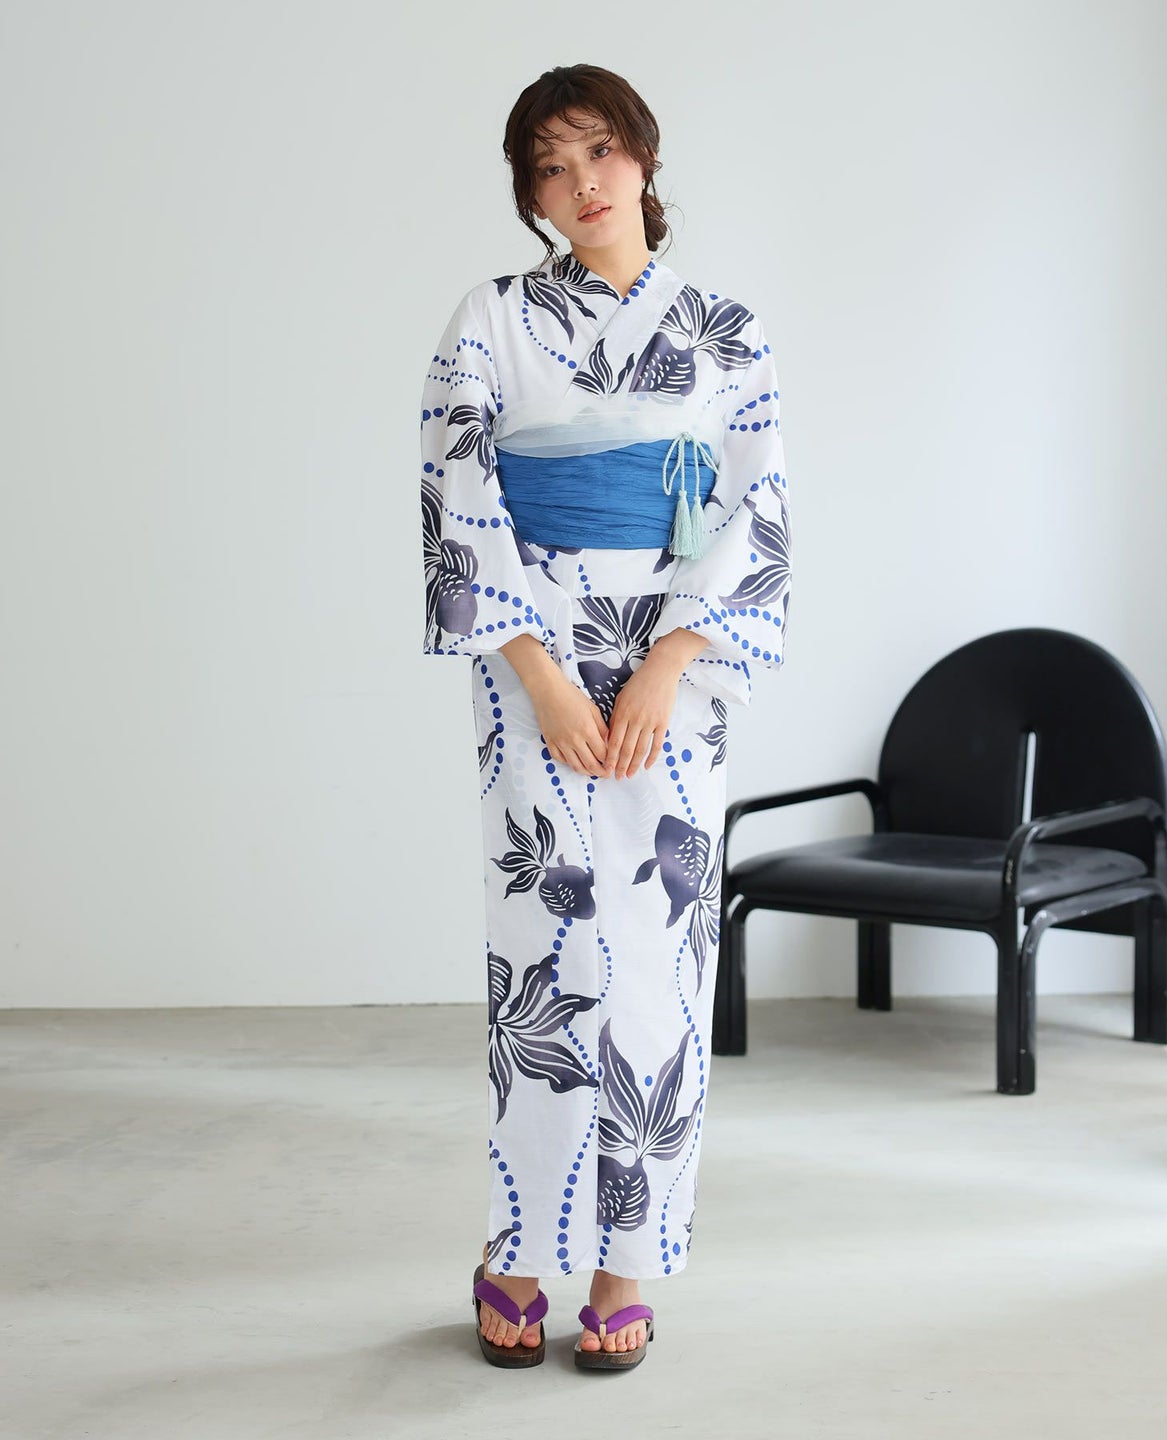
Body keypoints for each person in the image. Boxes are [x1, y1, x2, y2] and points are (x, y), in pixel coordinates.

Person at [419, 63, 791, 1371]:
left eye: (600, 152)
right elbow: (458, 487)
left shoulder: (724, 329)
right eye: (551, 166)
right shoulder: (490, 319)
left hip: (673, 678)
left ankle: (629, 1260)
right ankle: (520, 1247)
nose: (582, 184)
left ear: (643, 155)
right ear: (531, 193)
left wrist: (667, 663)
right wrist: (542, 674)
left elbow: (752, 506)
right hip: (532, 666)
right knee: (548, 952)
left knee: (659, 959)